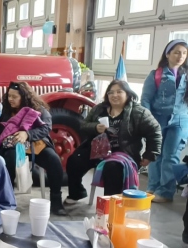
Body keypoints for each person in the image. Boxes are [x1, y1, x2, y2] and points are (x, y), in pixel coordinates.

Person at [65, 80, 162, 202]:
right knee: (74, 160)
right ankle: (77, 192)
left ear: (127, 94)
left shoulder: (139, 112)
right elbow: (83, 125)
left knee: (112, 168)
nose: (114, 95)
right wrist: (95, 127)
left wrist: (149, 155)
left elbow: (155, 132)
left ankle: (111, 206)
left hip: (124, 153)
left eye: (119, 92)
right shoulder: (99, 109)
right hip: (98, 150)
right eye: (111, 92)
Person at [0, 81, 67, 215]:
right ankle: (5, 200)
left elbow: (46, 127)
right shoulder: (6, 110)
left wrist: (27, 134)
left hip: (36, 145)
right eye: (9, 96)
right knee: (8, 160)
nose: (10, 99)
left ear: (24, 97)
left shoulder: (38, 109)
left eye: (14, 97)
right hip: (13, 146)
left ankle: (56, 201)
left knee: (54, 160)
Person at [141, 39, 188, 203]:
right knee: (155, 154)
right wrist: (148, 121)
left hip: (180, 121)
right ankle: (152, 187)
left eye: (184, 53)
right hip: (157, 119)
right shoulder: (156, 75)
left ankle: (166, 192)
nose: (180, 56)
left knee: (171, 156)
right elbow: (145, 99)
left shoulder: (186, 76)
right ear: (167, 54)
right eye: (176, 52)